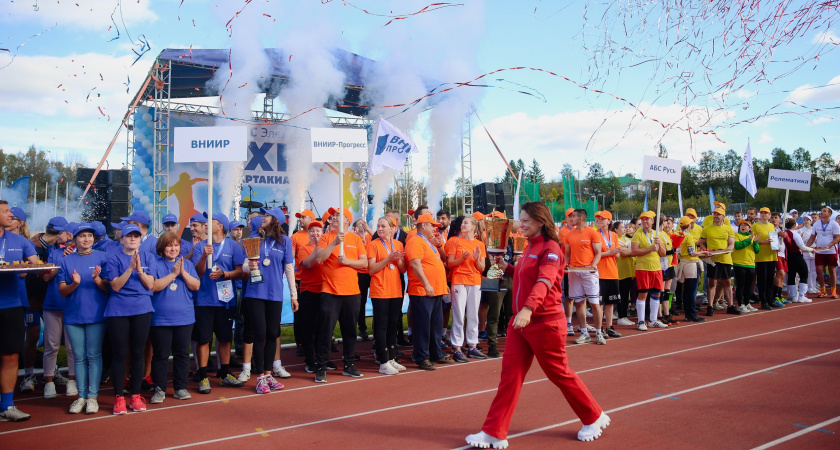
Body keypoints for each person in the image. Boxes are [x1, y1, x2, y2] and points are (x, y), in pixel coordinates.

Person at [466, 202, 609, 449]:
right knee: (509, 377)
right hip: (519, 324)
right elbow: (524, 276)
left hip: (544, 323)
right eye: (520, 220)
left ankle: (594, 416)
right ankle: (494, 431)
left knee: (559, 373)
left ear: (540, 221)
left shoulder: (551, 248)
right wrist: (505, 267)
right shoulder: (530, 247)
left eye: (525, 221)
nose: (521, 224)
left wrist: (528, 308)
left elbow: (544, 280)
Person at [101, 224, 156, 414]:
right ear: (122, 239)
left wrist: (139, 270)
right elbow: (115, 286)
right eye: (129, 236)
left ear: (141, 239)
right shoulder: (114, 258)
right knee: (120, 354)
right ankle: (119, 397)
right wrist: (130, 268)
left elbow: (150, 285)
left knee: (138, 352)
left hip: (142, 309)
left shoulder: (149, 257)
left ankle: (135, 395)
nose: (132, 239)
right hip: (118, 311)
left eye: (136, 236)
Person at [241, 207, 298, 394]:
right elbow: (244, 269)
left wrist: (293, 295)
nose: (263, 218)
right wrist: (249, 265)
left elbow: (289, 269)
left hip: (274, 294)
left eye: (266, 215)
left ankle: (268, 374)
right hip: (255, 293)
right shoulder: (255, 238)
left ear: (276, 219)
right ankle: (260, 378)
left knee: (273, 333)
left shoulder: (286, 242)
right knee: (260, 334)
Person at [57, 223, 110, 414]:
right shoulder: (66, 261)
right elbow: (62, 291)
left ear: (94, 239)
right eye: (82, 236)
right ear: (74, 239)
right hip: (73, 315)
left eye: (89, 236)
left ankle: (93, 397)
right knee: (78, 357)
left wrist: (97, 279)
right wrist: (74, 284)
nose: (86, 239)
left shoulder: (103, 258)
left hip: (96, 314)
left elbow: (108, 288)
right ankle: (81, 396)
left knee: (94, 355)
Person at [311, 207, 368, 383]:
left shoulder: (356, 239)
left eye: (338, 215)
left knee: (350, 330)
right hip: (331, 291)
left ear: (347, 221)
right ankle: (321, 366)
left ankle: (349, 364)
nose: (334, 217)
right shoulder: (326, 238)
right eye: (333, 215)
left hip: (352, 292)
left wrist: (348, 262)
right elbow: (319, 258)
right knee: (326, 330)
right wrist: (335, 242)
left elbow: (364, 262)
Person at [191, 213, 245, 393]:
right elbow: (196, 273)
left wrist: (225, 274)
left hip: (225, 301)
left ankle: (224, 373)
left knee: (224, 338)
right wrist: (203, 257)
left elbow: (241, 272)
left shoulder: (233, 246)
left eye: (210, 221)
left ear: (220, 225)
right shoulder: (200, 245)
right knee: (204, 339)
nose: (206, 224)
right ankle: (204, 376)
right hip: (204, 300)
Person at [149, 232, 199, 404]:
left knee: (182, 354)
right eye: (169, 245)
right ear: (162, 248)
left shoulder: (188, 264)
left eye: (176, 246)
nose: (173, 249)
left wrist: (183, 272)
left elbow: (196, 285)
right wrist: (173, 274)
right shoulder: (155, 264)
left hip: (184, 317)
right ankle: (159, 388)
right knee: (161, 355)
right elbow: (154, 286)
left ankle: (180, 387)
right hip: (160, 318)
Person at [0, 200, 38, 421]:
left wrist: (28, 269)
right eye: (5, 212)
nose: (10, 215)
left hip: (12, 304)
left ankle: (6, 405)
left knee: (11, 355)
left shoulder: (19, 240)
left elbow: (35, 265)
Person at [405, 214, 453, 370]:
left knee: (435, 326)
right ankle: (422, 356)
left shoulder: (427, 242)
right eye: (432, 226)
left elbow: (436, 264)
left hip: (435, 291)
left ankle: (435, 353)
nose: (435, 229)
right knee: (423, 326)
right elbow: (415, 264)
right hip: (422, 291)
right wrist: (427, 284)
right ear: (423, 225)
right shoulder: (415, 241)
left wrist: (442, 284)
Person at [40, 221, 78, 399]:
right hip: (53, 304)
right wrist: (61, 260)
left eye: (60, 233)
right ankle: (48, 382)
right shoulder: (53, 252)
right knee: (52, 345)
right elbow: (46, 277)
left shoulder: (81, 254)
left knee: (72, 348)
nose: (57, 236)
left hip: (73, 305)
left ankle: (72, 380)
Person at [366, 216, 408, 375]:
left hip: (396, 289)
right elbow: (371, 269)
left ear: (393, 229)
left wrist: (398, 260)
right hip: (380, 289)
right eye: (378, 226)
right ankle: (383, 361)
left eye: (383, 226)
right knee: (382, 325)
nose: (380, 228)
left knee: (393, 325)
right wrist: (389, 258)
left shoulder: (398, 244)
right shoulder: (373, 245)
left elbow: (403, 269)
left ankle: (391, 358)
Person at [446, 216, 487, 361]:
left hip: (475, 281)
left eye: (466, 223)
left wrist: (476, 258)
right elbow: (450, 264)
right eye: (462, 223)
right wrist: (462, 258)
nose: (463, 225)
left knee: (473, 314)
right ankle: (457, 347)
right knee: (458, 314)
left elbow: (482, 268)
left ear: (474, 227)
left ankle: (472, 346)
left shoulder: (480, 245)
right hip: (459, 280)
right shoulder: (454, 241)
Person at [563, 209, 604, 344]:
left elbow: (598, 252)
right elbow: (567, 253)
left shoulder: (592, 233)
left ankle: (599, 332)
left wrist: (593, 265)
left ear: (581, 218)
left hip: (589, 271)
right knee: (579, 302)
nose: (571, 219)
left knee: (594, 303)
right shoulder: (569, 235)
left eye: (573, 216)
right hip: (574, 272)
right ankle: (584, 332)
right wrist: (566, 264)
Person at [630, 211, 668, 330]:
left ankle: (653, 319)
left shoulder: (658, 234)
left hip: (656, 268)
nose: (645, 221)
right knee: (643, 294)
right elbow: (634, 251)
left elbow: (663, 253)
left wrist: (659, 245)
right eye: (643, 219)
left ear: (652, 221)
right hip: (643, 268)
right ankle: (641, 321)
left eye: (647, 219)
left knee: (656, 293)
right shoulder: (638, 234)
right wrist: (650, 248)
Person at [297, 220, 325, 374]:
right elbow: (308, 264)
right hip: (309, 291)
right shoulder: (303, 248)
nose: (315, 234)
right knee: (309, 328)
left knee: (323, 328)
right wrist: (316, 247)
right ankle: (309, 360)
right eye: (312, 231)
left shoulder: (327, 248)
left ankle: (321, 360)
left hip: (325, 291)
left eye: (318, 231)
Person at [699, 207, 737, 316]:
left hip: (725, 259)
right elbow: (701, 242)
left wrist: (728, 250)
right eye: (714, 214)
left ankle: (730, 305)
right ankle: (710, 306)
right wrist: (705, 251)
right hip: (713, 259)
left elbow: (731, 243)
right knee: (712, 282)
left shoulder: (728, 229)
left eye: (718, 214)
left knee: (727, 282)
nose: (716, 216)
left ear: (723, 217)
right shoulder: (707, 229)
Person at [595, 212, 622, 338]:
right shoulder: (595, 234)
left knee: (611, 302)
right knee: (599, 302)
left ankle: (609, 326)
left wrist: (613, 252)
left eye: (603, 219)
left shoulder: (614, 235)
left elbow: (617, 255)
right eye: (598, 218)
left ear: (609, 221)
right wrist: (610, 252)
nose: (600, 220)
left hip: (612, 272)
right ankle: (599, 327)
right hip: (599, 273)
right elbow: (595, 254)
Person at [806, 206, 840, 298]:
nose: (822, 212)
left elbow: (837, 238)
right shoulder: (816, 224)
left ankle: (833, 291)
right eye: (821, 211)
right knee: (819, 270)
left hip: (831, 250)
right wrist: (806, 247)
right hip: (820, 251)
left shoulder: (834, 224)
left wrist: (829, 245)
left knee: (832, 270)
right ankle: (822, 290)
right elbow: (812, 237)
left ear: (829, 214)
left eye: (824, 211)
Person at [676, 217, 705, 322]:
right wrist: (703, 252)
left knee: (687, 290)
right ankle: (691, 314)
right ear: (689, 225)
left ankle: (689, 313)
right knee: (691, 290)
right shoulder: (688, 236)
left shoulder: (676, 234)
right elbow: (691, 252)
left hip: (682, 262)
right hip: (690, 263)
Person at [753, 208, 782, 309]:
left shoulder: (771, 226)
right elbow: (752, 240)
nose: (764, 215)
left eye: (766, 213)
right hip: (761, 256)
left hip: (772, 255)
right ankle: (763, 301)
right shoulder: (756, 226)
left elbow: (774, 239)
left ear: (769, 215)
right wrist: (763, 241)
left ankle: (770, 299)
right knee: (762, 280)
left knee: (770, 279)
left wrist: (777, 245)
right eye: (762, 213)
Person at [783, 218, 816, 302]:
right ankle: (801, 296)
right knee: (804, 273)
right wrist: (811, 249)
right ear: (794, 225)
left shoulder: (783, 233)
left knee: (791, 275)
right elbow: (802, 247)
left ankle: (794, 296)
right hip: (797, 255)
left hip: (788, 256)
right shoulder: (795, 233)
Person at [352, 218, 373, 341]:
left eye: (364, 222)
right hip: (360, 273)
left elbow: (377, 237)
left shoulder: (370, 236)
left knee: (378, 300)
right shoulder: (354, 238)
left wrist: (368, 231)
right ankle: (362, 328)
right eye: (360, 223)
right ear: (355, 227)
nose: (362, 224)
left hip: (372, 271)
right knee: (361, 301)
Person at [732, 221, 760, 313]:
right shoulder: (736, 236)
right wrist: (749, 240)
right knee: (741, 285)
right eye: (741, 225)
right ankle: (740, 304)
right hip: (739, 263)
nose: (743, 227)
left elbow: (757, 251)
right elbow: (737, 246)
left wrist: (755, 243)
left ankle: (747, 302)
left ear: (750, 228)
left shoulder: (753, 238)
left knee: (749, 285)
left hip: (751, 264)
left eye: (745, 225)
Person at [615, 220, 636, 327]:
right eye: (622, 228)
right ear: (615, 229)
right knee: (621, 294)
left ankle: (624, 316)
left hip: (629, 269)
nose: (624, 229)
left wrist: (631, 251)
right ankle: (620, 316)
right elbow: (623, 253)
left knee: (626, 293)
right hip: (620, 270)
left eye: (624, 227)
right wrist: (634, 251)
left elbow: (630, 250)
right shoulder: (616, 240)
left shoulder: (626, 239)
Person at [798, 215, 819, 294]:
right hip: (805, 252)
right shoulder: (800, 230)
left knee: (814, 270)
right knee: (808, 270)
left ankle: (813, 286)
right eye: (805, 220)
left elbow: (816, 240)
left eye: (808, 220)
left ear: (811, 221)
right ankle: (808, 287)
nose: (806, 221)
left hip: (814, 251)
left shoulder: (814, 230)